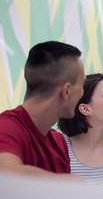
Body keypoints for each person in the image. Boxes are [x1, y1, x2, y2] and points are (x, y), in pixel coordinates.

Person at [0, 41, 85, 177]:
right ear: (66, 91)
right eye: (82, 84)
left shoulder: (59, 142)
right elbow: (7, 174)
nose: (82, 92)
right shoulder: (5, 127)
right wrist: (71, 182)